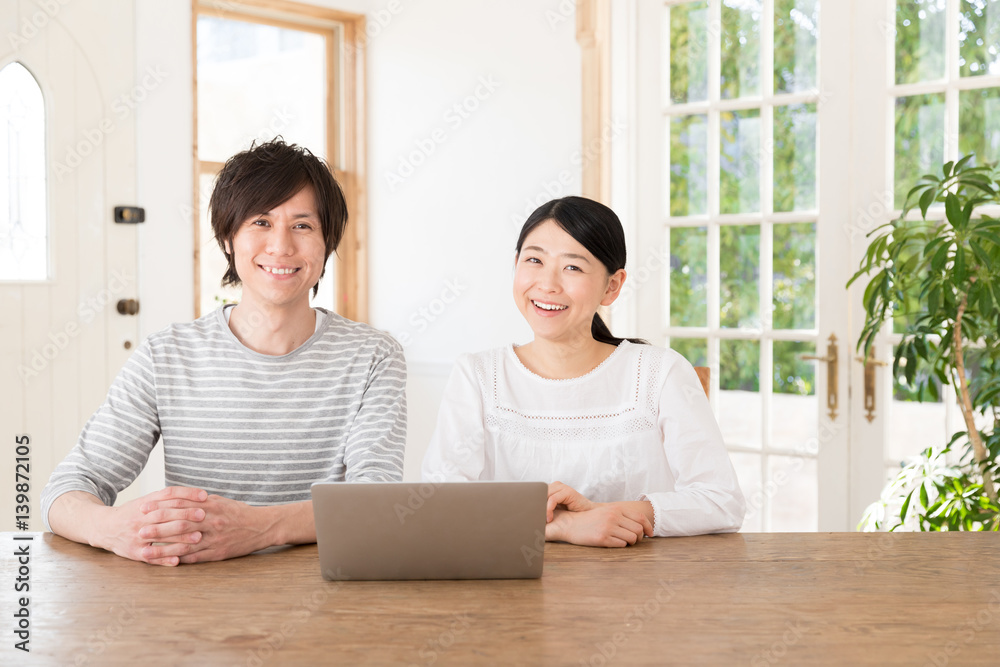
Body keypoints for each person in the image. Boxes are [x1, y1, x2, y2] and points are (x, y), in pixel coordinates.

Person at [41, 139, 406, 566]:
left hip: (324, 593)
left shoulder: (374, 356)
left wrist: (259, 528)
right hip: (194, 597)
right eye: (261, 222)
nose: (281, 246)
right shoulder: (166, 356)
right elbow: (66, 490)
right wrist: (116, 529)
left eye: (303, 226)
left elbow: (376, 503)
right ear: (228, 238)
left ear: (327, 242)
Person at [421, 196, 744, 547]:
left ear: (612, 286)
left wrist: (614, 514)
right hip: (513, 592)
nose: (547, 284)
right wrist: (561, 526)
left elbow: (721, 501)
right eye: (534, 260)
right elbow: (440, 502)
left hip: (639, 586)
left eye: (572, 267)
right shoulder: (478, 376)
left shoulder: (660, 373)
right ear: (516, 265)